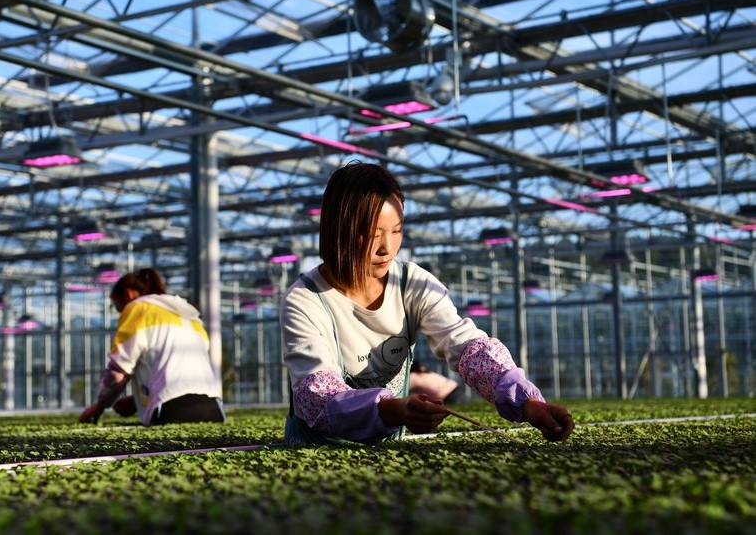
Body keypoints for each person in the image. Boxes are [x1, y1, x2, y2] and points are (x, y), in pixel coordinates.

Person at [280, 162, 574, 445]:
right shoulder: (306, 300)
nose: (386, 248)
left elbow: (466, 346)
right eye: (372, 234)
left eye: (396, 231)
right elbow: (318, 397)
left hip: (389, 449)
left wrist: (527, 402)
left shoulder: (411, 282)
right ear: (338, 230)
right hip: (316, 451)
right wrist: (393, 410)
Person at [79, 267, 225, 426]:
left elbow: (119, 370)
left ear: (128, 294)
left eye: (119, 308)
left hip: (172, 408)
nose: (122, 314)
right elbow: (179, 370)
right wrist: (138, 400)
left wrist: (99, 406)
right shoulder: (188, 315)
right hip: (213, 407)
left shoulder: (138, 309)